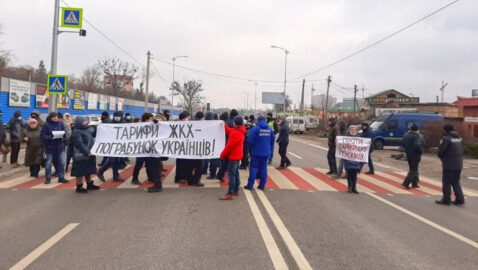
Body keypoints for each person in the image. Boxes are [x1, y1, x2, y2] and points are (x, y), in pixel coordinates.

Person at [436, 124, 465, 206]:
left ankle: (446, 199)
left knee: (446, 182)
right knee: (455, 182)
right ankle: (460, 199)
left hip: (449, 164)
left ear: (445, 130)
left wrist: (440, 156)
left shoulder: (446, 139)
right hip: (459, 164)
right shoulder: (458, 139)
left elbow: (441, 152)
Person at [244, 115, 275, 190]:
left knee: (254, 168)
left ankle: (250, 185)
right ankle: (262, 185)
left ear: (258, 121)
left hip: (256, 152)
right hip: (266, 152)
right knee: (264, 168)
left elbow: (250, 141)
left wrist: (249, 148)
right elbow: (272, 141)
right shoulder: (270, 129)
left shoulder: (255, 129)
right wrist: (269, 149)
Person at [70, 116, 100, 193]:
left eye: (86, 121)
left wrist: (99, 128)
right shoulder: (76, 131)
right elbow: (79, 144)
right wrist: (87, 152)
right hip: (81, 154)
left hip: (90, 153)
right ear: (80, 122)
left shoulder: (87, 129)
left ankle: (89, 184)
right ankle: (79, 186)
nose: (86, 122)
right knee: (80, 170)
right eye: (84, 121)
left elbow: (92, 136)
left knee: (88, 169)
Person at [219, 116, 246, 200]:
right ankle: (236, 190)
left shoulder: (235, 133)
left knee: (232, 175)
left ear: (235, 123)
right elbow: (230, 131)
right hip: (238, 155)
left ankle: (230, 193)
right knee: (236, 173)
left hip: (233, 156)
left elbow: (229, 147)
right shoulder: (240, 130)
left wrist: (222, 155)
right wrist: (224, 125)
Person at [41, 112, 68, 184]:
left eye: (56, 117)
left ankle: (61, 177)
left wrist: (64, 136)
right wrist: (51, 137)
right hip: (50, 147)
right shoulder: (46, 125)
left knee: (62, 162)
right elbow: (43, 136)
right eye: (54, 117)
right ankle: (48, 178)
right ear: (50, 117)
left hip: (60, 146)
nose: (56, 118)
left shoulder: (60, 123)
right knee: (49, 163)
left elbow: (64, 132)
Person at [97, 112, 125, 182]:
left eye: (118, 116)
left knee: (117, 161)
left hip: (119, 145)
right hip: (111, 144)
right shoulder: (110, 123)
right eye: (115, 116)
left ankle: (116, 176)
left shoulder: (124, 123)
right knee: (112, 159)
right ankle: (100, 171)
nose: (117, 117)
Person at [401, 124, 425, 189]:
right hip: (415, 155)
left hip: (408, 154)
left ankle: (415, 183)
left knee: (414, 169)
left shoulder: (406, 135)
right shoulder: (416, 136)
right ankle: (406, 183)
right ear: (417, 130)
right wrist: (420, 151)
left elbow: (403, 145)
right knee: (413, 170)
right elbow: (417, 145)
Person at [344, 126, 361, 194]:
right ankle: (350, 186)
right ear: (349, 130)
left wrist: (368, 144)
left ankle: (354, 187)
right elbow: (341, 144)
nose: (353, 131)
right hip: (348, 158)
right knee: (349, 172)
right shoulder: (346, 137)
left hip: (355, 158)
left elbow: (362, 145)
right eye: (352, 130)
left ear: (356, 131)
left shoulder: (359, 138)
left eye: (354, 130)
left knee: (354, 173)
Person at [203, 112, 220, 179]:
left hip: (206, 143)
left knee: (206, 157)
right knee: (214, 159)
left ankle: (205, 170)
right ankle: (213, 173)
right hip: (215, 144)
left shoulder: (204, 125)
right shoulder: (217, 125)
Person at [216, 111, 229, 181]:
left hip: (221, 143)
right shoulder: (224, 124)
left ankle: (220, 175)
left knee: (224, 161)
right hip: (225, 144)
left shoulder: (220, 124)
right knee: (225, 162)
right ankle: (220, 175)